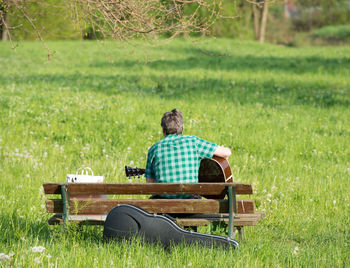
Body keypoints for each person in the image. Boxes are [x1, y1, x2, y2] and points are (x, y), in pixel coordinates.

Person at [145, 109, 231, 199]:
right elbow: (226, 153)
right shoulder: (193, 142)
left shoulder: (154, 149)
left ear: (163, 129)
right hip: (191, 205)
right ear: (182, 127)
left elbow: (150, 185)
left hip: (162, 207)